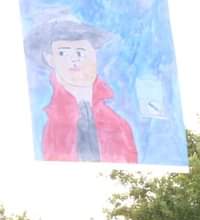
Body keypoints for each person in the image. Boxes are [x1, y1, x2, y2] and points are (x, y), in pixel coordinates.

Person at [24, 12, 137, 163]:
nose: (74, 59)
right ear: (50, 59)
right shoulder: (42, 121)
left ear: (94, 55)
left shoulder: (118, 125)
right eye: (63, 52)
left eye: (80, 52)